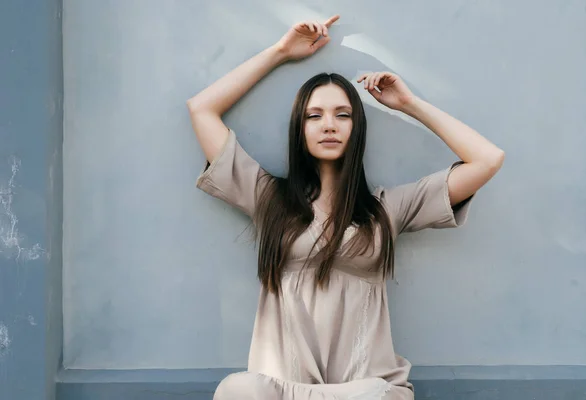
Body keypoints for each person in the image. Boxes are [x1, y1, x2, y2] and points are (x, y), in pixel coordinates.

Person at [187, 14, 504, 400]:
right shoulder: (267, 197)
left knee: (372, 394)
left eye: (342, 115)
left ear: (356, 128)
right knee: (238, 389)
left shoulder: (387, 209)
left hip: (365, 391)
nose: (329, 125)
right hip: (285, 392)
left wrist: (409, 104)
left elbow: (487, 159)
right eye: (314, 116)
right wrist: (280, 52)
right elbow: (201, 109)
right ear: (299, 129)